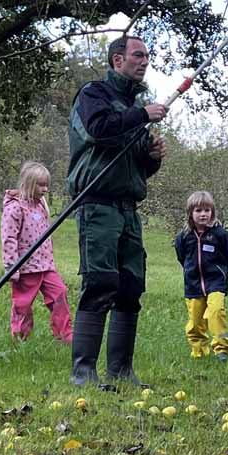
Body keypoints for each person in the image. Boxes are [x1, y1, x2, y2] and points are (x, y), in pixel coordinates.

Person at [66, 35, 168, 389]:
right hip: (96, 205)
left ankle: (121, 370)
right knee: (100, 282)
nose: (144, 62)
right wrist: (141, 115)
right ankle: (83, 372)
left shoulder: (132, 110)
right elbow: (98, 131)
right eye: (138, 55)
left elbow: (133, 167)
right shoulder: (93, 95)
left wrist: (151, 158)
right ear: (116, 60)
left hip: (128, 208)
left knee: (130, 286)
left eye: (147, 57)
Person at [0, 161, 73, 343]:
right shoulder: (15, 208)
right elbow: (8, 239)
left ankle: (65, 335)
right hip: (25, 268)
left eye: (46, 185)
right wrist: (12, 267)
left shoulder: (40, 205)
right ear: (28, 183)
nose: (45, 189)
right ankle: (20, 337)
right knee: (23, 304)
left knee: (60, 293)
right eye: (41, 185)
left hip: (45, 265)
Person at [175, 191, 228, 361]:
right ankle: (199, 352)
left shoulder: (221, 235)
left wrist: (220, 272)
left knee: (216, 312)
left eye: (207, 210)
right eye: (198, 210)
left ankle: (221, 350)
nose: (203, 214)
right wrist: (190, 271)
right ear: (190, 213)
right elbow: (182, 257)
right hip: (193, 284)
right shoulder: (184, 237)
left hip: (215, 282)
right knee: (195, 322)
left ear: (213, 212)